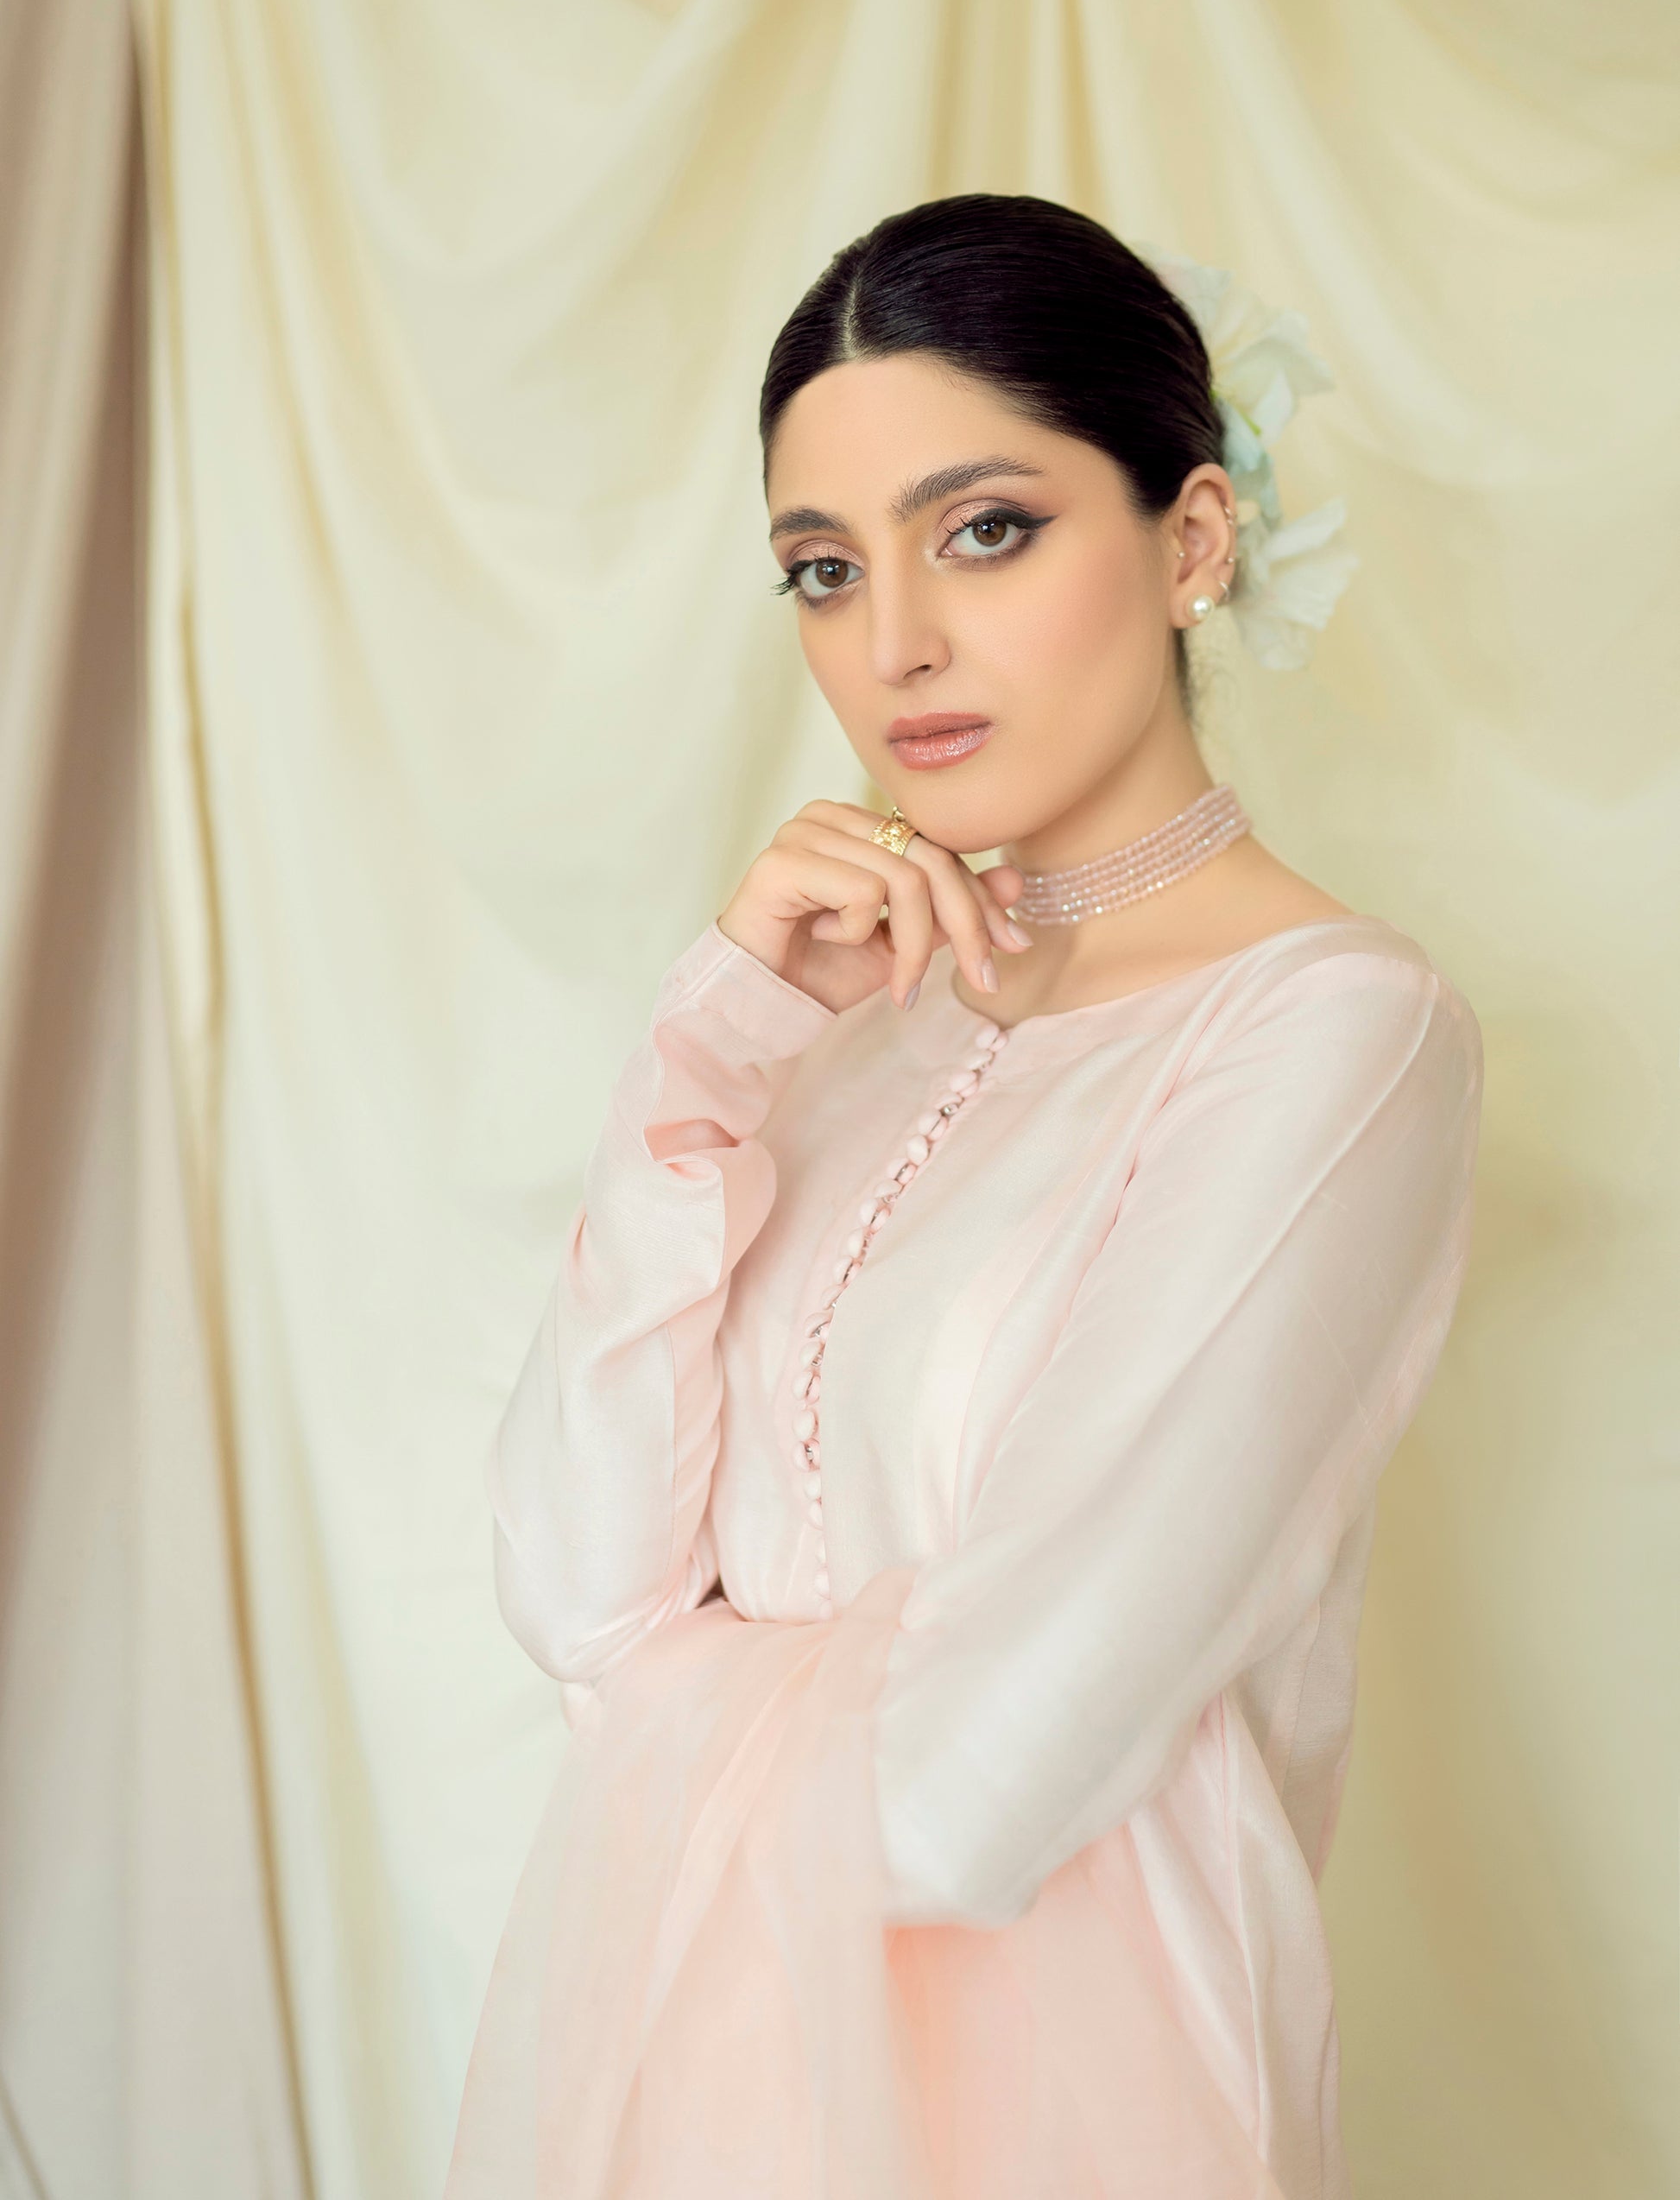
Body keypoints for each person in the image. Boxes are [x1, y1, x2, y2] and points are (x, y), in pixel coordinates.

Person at [444, 196, 1483, 2200]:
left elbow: (988, 1770)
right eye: (823, 568)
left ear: (1191, 538)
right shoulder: (833, 1028)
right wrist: (710, 1046)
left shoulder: (1332, 1034)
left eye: (984, 528)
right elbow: (570, 1583)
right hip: (701, 2083)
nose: (893, 641)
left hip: (1078, 2100)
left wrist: (674, 1685)